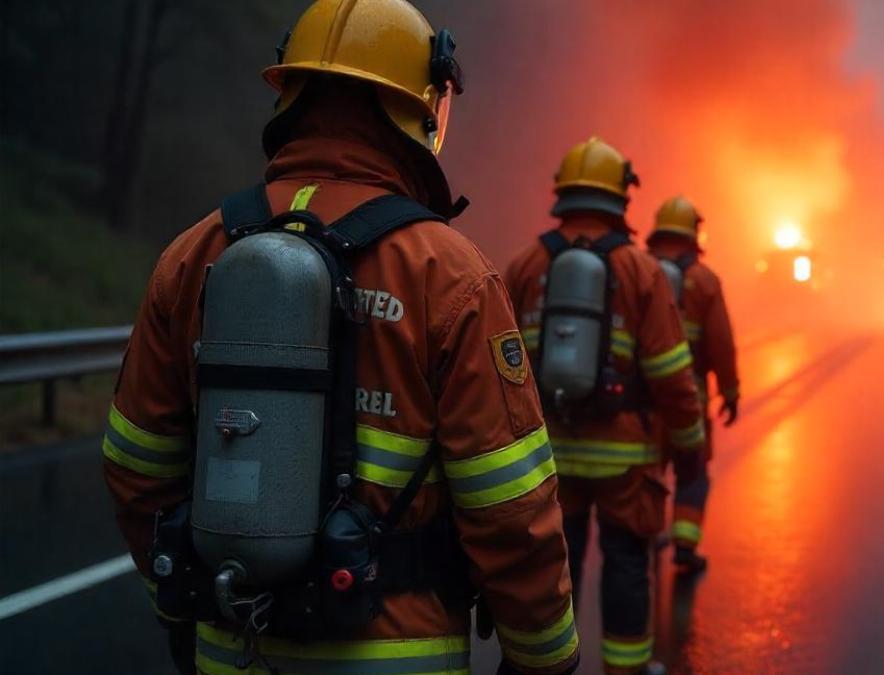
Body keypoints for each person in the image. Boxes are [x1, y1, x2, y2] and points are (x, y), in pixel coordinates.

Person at [101, 2, 577, 673]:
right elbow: (510, 506)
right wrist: (544, 655)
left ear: (291, 94)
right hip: (397, 655)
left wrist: (180, 605)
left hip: (232, 648)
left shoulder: (194, 253)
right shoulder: (448, 273)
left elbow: (135, 466)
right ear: (419, 109)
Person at [504, 138, 705, 675]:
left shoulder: (523, 267)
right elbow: (672, 377)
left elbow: (496, 371)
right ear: (621, 196)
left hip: (548, 461)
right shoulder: (642, 273)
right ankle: (624, 670)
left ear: (563, 192)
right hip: (625, 462)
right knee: (625, 568)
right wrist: (689, 452)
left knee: (552, 574)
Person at [646, 196, 740, 575]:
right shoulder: (704, 280)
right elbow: (721, 343)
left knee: (648, 470)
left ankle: (648, 536)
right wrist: (730, 392)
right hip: (689, 401)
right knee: (693, 471)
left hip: (642, 401)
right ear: (693, 234)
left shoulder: (637, 269)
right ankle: (685, 544)